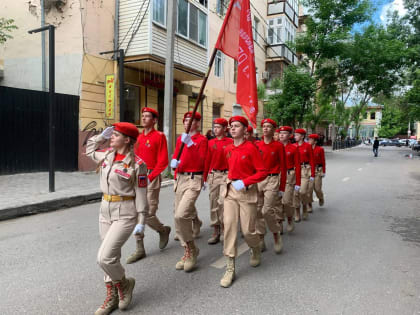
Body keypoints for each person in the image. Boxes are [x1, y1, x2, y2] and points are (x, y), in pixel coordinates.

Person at [86, 123, 148, 315]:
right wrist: (100, 138)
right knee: (111, 256)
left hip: (125, 212)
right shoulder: (106, 155)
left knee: (104, 257)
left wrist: (142, 221)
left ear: (127, 140)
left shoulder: (138, 164)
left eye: (116, 135)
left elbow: (141, 193)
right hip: (105, 209)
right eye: (111, 135)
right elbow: (89, 150)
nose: (111, 137)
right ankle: (113, 294)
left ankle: (124, 284)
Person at [220, 116, 267, 288]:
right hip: (231, 191)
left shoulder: (251, 148)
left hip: (247, 192)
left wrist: (246, 181)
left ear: (245, 130)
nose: (232, 128)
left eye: (236, 126)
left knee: (248, 231)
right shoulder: (228, 148)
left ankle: (255, 248)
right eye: (231, 126)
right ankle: (230, 267)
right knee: (230, 226)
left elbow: (262, 172)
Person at [126, 108, 171, 264]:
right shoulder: (137, 137)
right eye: (142, 116)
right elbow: (131, 157)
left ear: (154, 120)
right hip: (137, 177)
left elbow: (163, 161)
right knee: (137, 212)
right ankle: (140, 248)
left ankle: (163, 230)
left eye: (147, 117)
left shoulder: (159, 137)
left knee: (149, 212)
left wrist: (151, 177)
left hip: (151, 177)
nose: (144, 119)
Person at [170, 111, 208, 272]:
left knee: (181, 214)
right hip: (181, 178)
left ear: (197, 123)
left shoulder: (202, 140)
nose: (186, 122)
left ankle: (191, 249)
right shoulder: (181, 138)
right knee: (178, 217)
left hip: (194, 179)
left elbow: (202, 160)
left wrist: (191, 144)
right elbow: (179, 156)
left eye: (190, 120)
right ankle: (188, 249)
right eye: (185, 120)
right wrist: (175, 167)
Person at [256, 119, 287, 254]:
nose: (266, 128)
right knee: (257, 211)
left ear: (274, 130)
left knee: (267, 210)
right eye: (264, 126)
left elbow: (284, 168)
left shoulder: (278, 146)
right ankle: (261, 238)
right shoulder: (257, 145)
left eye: (269, 127)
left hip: (273, 179)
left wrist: (282, 188)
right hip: (258, 180)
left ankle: (276, 234)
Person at [204, 118, 233, 244]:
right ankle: (215, 229)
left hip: (226, 175)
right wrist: (205, 178)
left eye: (218, 127)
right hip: (214, 175)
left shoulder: (231, 142)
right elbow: (207, 161)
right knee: (213, 203)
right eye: (214, 127)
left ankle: (223, 227)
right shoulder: (210, 142)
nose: (215, 129)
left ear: (225, 128)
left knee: (222, 202)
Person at [278, 126, 301, 232]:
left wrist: (298, 183)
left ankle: (290, 218)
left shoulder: (293, 148)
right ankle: (279, 222)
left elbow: (297, 165)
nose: (281, 135)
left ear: (289, 136)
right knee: (277, 202)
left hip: (289, 176)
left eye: (284, 133)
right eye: (280, 133)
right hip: (276, 176)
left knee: (286, 201)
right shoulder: (275, 147)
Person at [294, 129, 315, 221]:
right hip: (294, 170)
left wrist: (312, 174)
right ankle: (297, 212)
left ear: (302, 136)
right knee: (295, 193)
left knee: (302, 191)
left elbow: (312, 160)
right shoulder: (293, 146)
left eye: (297, 135)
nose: (295, 137)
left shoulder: (308, 146)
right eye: (295, 135)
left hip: (305, 170)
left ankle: (305, 207)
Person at [308, 134, 325, 208]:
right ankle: (309, 205)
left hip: (317, 170)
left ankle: (320, 197)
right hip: (308, 170)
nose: (309, 141)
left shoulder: (320, 149)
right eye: (309, 139)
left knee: (317, 188)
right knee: (309, 189)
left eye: (311, 139)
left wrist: (324, 171)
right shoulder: (306, 149)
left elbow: (323, 161)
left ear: (315, 141)